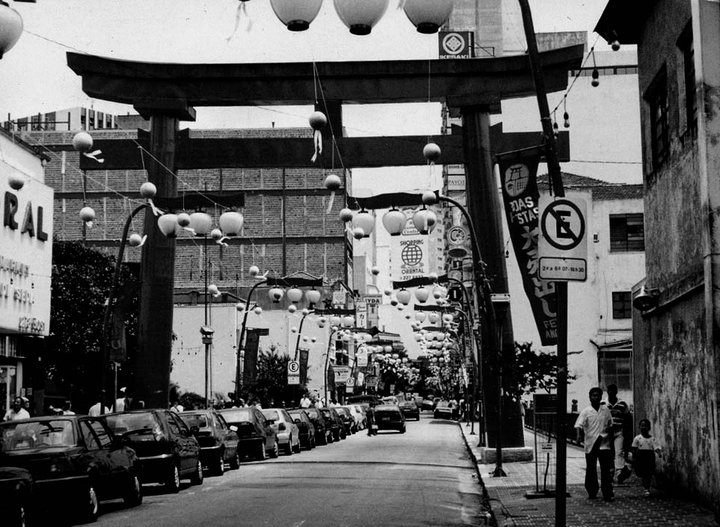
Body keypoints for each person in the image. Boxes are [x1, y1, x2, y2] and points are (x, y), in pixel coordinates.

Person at [574, 387, 614, 501]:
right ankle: (592, 491)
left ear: (601, 397)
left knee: (605, 470)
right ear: (590, 397)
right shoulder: (586, 411)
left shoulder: (605, 410)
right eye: (593, 395)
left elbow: (611, 425)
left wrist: (610, 440)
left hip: (604, 444)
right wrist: (578, 436)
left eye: (597, 395)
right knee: (591, 469)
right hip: (591, 444)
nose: (595, 397)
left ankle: (607, 492)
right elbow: (578, 425)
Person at [605, 384, 632, 483]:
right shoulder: (603, 403)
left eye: (613, 390)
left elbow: (627, 418)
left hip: (618, 431)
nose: (611, 392)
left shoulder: (623, 404)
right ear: (607, 391)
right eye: (609, 390)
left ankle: (619, 473)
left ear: (616, 391)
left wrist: (627, 432)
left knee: (619, 451)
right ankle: (610, 472)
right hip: (607, 432)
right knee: (608, 452)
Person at [631, 418, 662, 496]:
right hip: (641, 456)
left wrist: (659, 453)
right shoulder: (637, 438)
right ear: (639, 427)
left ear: (649, 428)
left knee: (648, 473)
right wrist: (634, 458)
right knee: (643, 473)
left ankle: (647, 488)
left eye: (646, 426)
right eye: (642, 426)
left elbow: (656, 447)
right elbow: (634, 449)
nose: (644, 428)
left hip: (649, 456)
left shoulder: (652, 439)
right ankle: (645, 487)